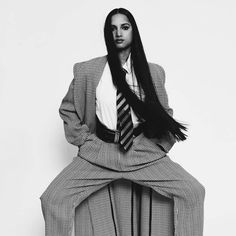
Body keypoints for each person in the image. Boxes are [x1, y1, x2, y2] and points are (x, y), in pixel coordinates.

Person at [40, 7, 205, 236]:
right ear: (108, 34)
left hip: (142, 153)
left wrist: (158, 146)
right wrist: (86, 142)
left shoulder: (152, 72)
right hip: (100, 153)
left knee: (193, 191)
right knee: (53, 199)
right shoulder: (87, 71)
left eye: (124, 27)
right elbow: (68, 109)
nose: (119, 33)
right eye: (113, 28)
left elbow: (164, 111)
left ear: (133, 31)